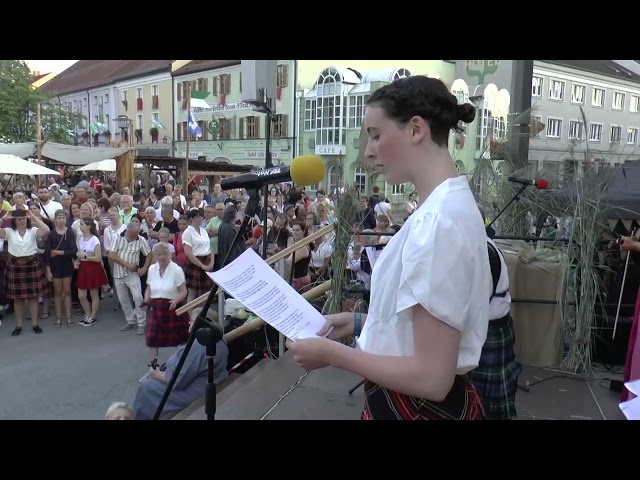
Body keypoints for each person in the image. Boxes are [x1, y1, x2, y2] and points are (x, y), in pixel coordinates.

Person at [286, 75, 491, 420]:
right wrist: (360, 321)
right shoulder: (447, 206)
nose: (368, 150)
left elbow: (432, 377)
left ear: (415, 130)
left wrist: (332, 355)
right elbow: (430, 331)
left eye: (376, 134)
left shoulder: (437, 222)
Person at [467, 205, 522, 420]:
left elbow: (474, 304)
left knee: (485, 401)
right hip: (492, 329)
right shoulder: (482, 246)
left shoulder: (482, 252)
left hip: (487, 331)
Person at [132, 308, 229, 420]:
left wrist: (155, 374)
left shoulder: (199, 346)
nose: (189, 322)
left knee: (147, 387)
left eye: (192, 320)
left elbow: (177, 379)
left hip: (198, 392)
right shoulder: (218, 336)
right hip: (207, 382)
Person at [142, 242, 189, 368]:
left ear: (169, 254)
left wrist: (176, 301)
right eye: (159, 254)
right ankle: (154, 364)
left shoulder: (177, 270)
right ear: (155, 255)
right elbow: (149, 288)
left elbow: (184, 291)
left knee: (179, 338)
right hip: (156, 307)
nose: (162, 257)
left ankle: (180, 364)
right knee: (152, 338)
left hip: (172, 306)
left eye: (164, 254)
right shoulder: (152, 269)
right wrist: (146, 301)